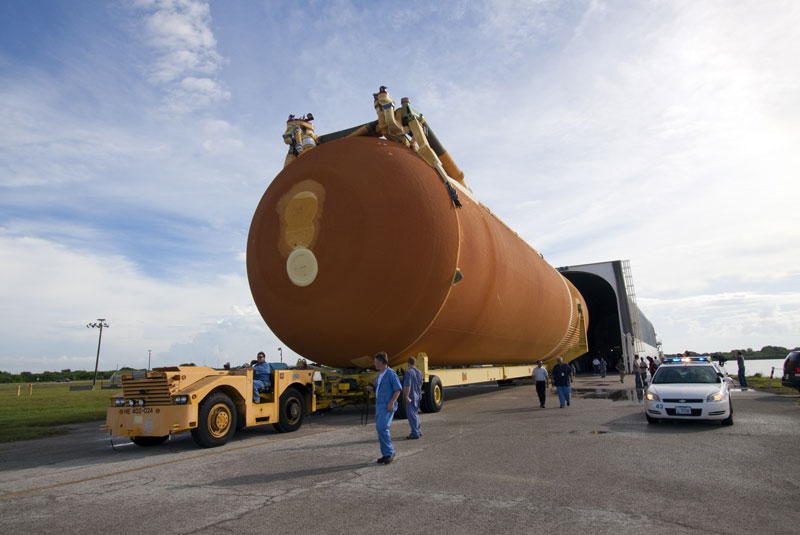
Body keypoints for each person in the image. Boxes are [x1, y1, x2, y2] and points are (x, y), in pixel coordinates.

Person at [366, 352, 402, 464]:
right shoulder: (379, 374)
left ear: (382, 362)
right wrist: (373, 388)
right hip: (379, 405)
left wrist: (392, 403)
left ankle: (389, 452)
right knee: (380, 428)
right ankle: (386, 453)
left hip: (387, 405)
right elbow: (381, 387)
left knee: (382, 427)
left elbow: (398, 389)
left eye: (376, 362)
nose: (375, 364)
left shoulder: (391, 374)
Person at [403, 356, 423, 439]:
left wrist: (406, 395)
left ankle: (415, 433)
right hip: (418, 394)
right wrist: (418, 392)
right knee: (415, 413)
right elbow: (421, 383)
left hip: (411, 395)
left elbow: (408, 385)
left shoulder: (408, 372)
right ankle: (418, 430)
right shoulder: (419, 372)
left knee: (411, 415)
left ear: (408, 363)